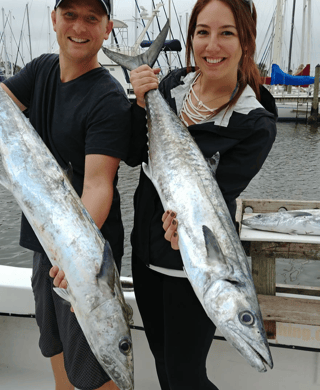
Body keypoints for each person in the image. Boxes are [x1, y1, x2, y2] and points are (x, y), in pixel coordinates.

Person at [0, 0, 132, 389]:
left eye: (92, 18)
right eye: (70, 15)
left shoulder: (108, 98)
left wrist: (75, 258)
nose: (79, 27)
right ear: (54, 20)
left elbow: (98, 185)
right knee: (56, 351)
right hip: (44, 245)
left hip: (88, 259)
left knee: (97, 369)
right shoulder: (41, 70)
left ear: (107, 28)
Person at [126, 0, 277, 389]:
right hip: (144, 256)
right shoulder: (172, 85)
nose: (213, 45)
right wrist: (140, 99)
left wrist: (184, 231)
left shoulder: (255, 122)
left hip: (192, 270)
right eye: (202, 32)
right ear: (191, 37)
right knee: (162, 362)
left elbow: (213, 196)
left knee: (185, 377)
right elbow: (131, 154)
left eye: (227, 33)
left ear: (246, 40)